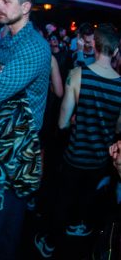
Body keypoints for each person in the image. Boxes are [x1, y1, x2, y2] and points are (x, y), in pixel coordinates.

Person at [0, 0, 51, 259]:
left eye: (5, 1)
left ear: (26, 7)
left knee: (7, 228)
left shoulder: (34, 47)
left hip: (18, 151)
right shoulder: (6, 40)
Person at [35, 24, 121, 258]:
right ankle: (78, 225)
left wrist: (78, 119)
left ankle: (50, 242)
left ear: (96, 46)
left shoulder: (78, 75)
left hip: (75, 154)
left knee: (64, 198)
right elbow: (118, 128)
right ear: (115, 51)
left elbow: (62, 123)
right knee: (86, 196)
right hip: (99, 158)